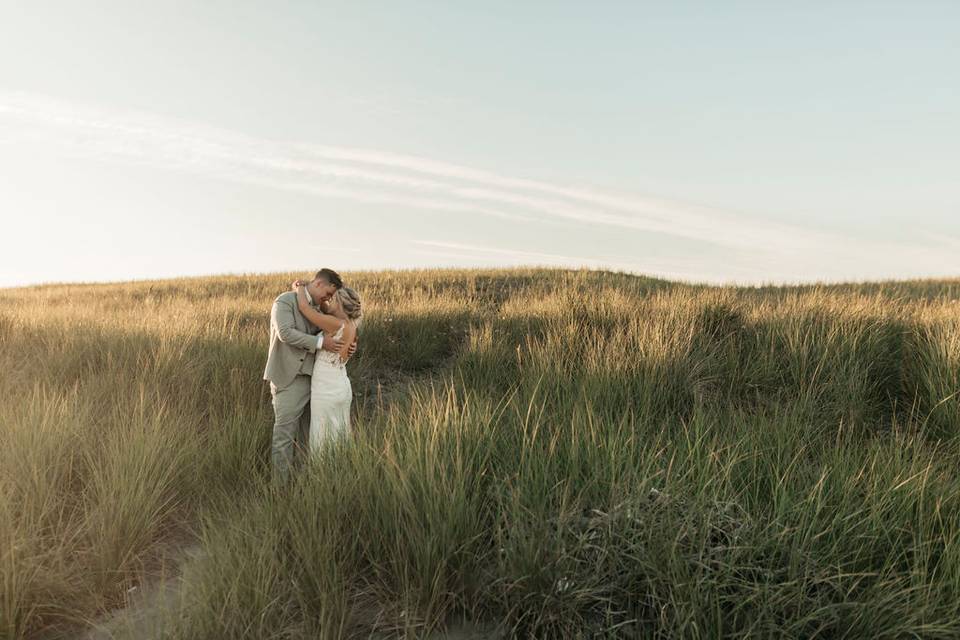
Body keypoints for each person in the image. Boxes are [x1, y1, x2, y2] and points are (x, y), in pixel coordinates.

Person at [262, 268, 356, 485]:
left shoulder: (319, 309)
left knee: (308, 436)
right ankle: (280, 488)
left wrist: (348, 347)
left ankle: (304, 484)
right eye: (328, 293)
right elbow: (285, 333)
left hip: (315, 381)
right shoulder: (285, 302)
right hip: (288, 378)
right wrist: (322, 343)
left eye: (332, 297)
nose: (328, 298)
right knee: (284, 434)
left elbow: (342, 329)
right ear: (320, 284)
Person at [292, 279, 362, 455]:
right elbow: (324, 307)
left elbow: (305, 309)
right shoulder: (351, 325)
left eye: (332, 298)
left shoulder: (335, 324)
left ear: (339, 303)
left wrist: (300, 288)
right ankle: (339, 469)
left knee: (322, 435)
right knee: (338, 433)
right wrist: (315, 285)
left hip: (326, 389)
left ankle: (322, 473)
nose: (328, 300)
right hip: (341, 386)